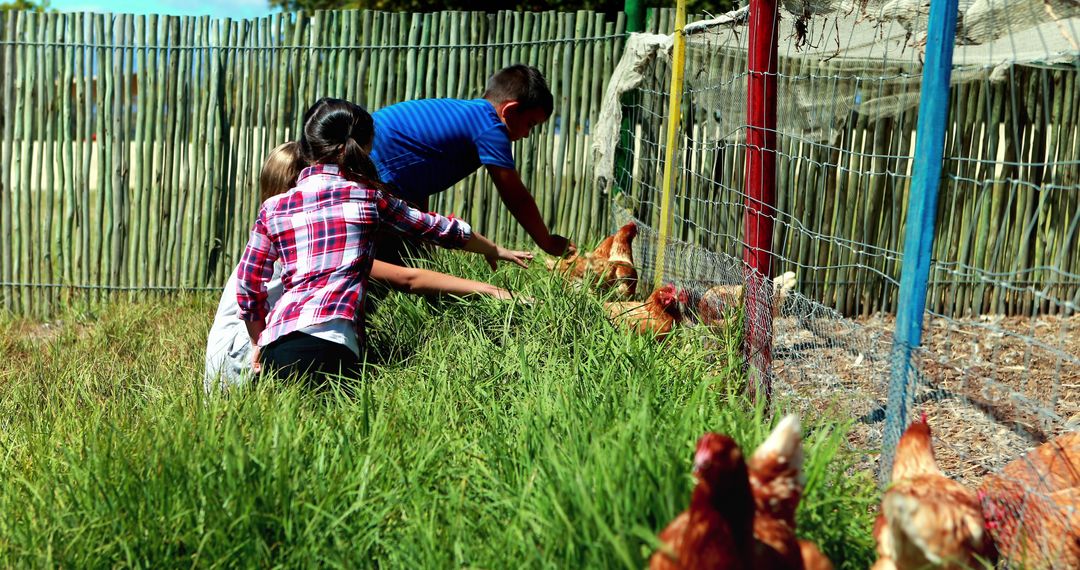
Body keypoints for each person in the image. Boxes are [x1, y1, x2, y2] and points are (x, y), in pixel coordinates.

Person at [235, 98, 532, 386]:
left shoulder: (273, 208)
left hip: (278, 349)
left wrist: (258, 340)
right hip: (334, 348)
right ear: (363, 148)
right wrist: (495, 249)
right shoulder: (368, 198)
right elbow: (438, 229)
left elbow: (248, 284)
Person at [370, 64, 576, 263]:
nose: (527, 134)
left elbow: (416, 170)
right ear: (511, 111)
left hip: (375, 159)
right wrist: (546, 241)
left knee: (416, 256)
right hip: (375, 168)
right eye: (530, 124)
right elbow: (516, 197)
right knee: (389, 258)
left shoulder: (468, 113)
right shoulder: (490, 128)